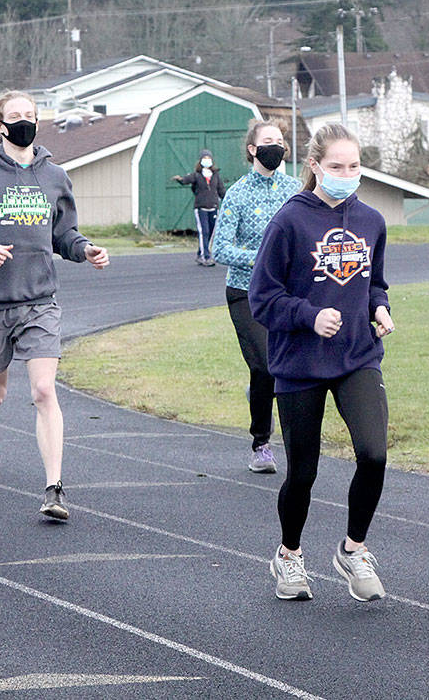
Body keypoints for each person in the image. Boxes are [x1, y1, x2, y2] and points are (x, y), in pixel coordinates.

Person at [0, 89, 109, 522]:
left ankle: (54, 488)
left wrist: (85, 249)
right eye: (15, 117)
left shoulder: (55, 176)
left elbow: (64, 234)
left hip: (40, 301)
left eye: (31, 116)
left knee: (43, 390)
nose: (24, 123)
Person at [249, 123, 395, 603]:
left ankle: (353, 549)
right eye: (336, 167)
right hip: (298, 362)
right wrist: (310, 317)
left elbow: (375, 282)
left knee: (374, 453)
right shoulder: (289, 221)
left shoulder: (371, 220)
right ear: (313, 166)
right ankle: (289, 555)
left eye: (354, 166)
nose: (347, 174)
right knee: (303, 472)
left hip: (357, 355)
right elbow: (262, 299)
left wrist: (379, 308)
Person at [212, 118, 300, 474]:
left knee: (287, 368)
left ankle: (297, 440)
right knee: (265, 364)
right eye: (268, 141)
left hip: (287, 293)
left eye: (280, 141)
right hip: (245, 292)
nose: (275, 146)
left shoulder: (296, 190)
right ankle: (261, 444)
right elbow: (220, 248)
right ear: (252, 149)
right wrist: (263, 257)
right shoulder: (237, 194)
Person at [172, 149, 225, 265]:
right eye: (204, 158)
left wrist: (227, 201)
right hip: (201, 208)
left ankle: (200, 252)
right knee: (204, 231)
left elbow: (221, 190)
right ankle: (205, 256)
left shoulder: (216, 175)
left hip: (214, 207)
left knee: (211, 232)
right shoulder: (197, 175)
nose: (207, 160)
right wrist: (180, 180)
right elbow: (187, 180)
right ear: (200, 161)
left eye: (208, 158)